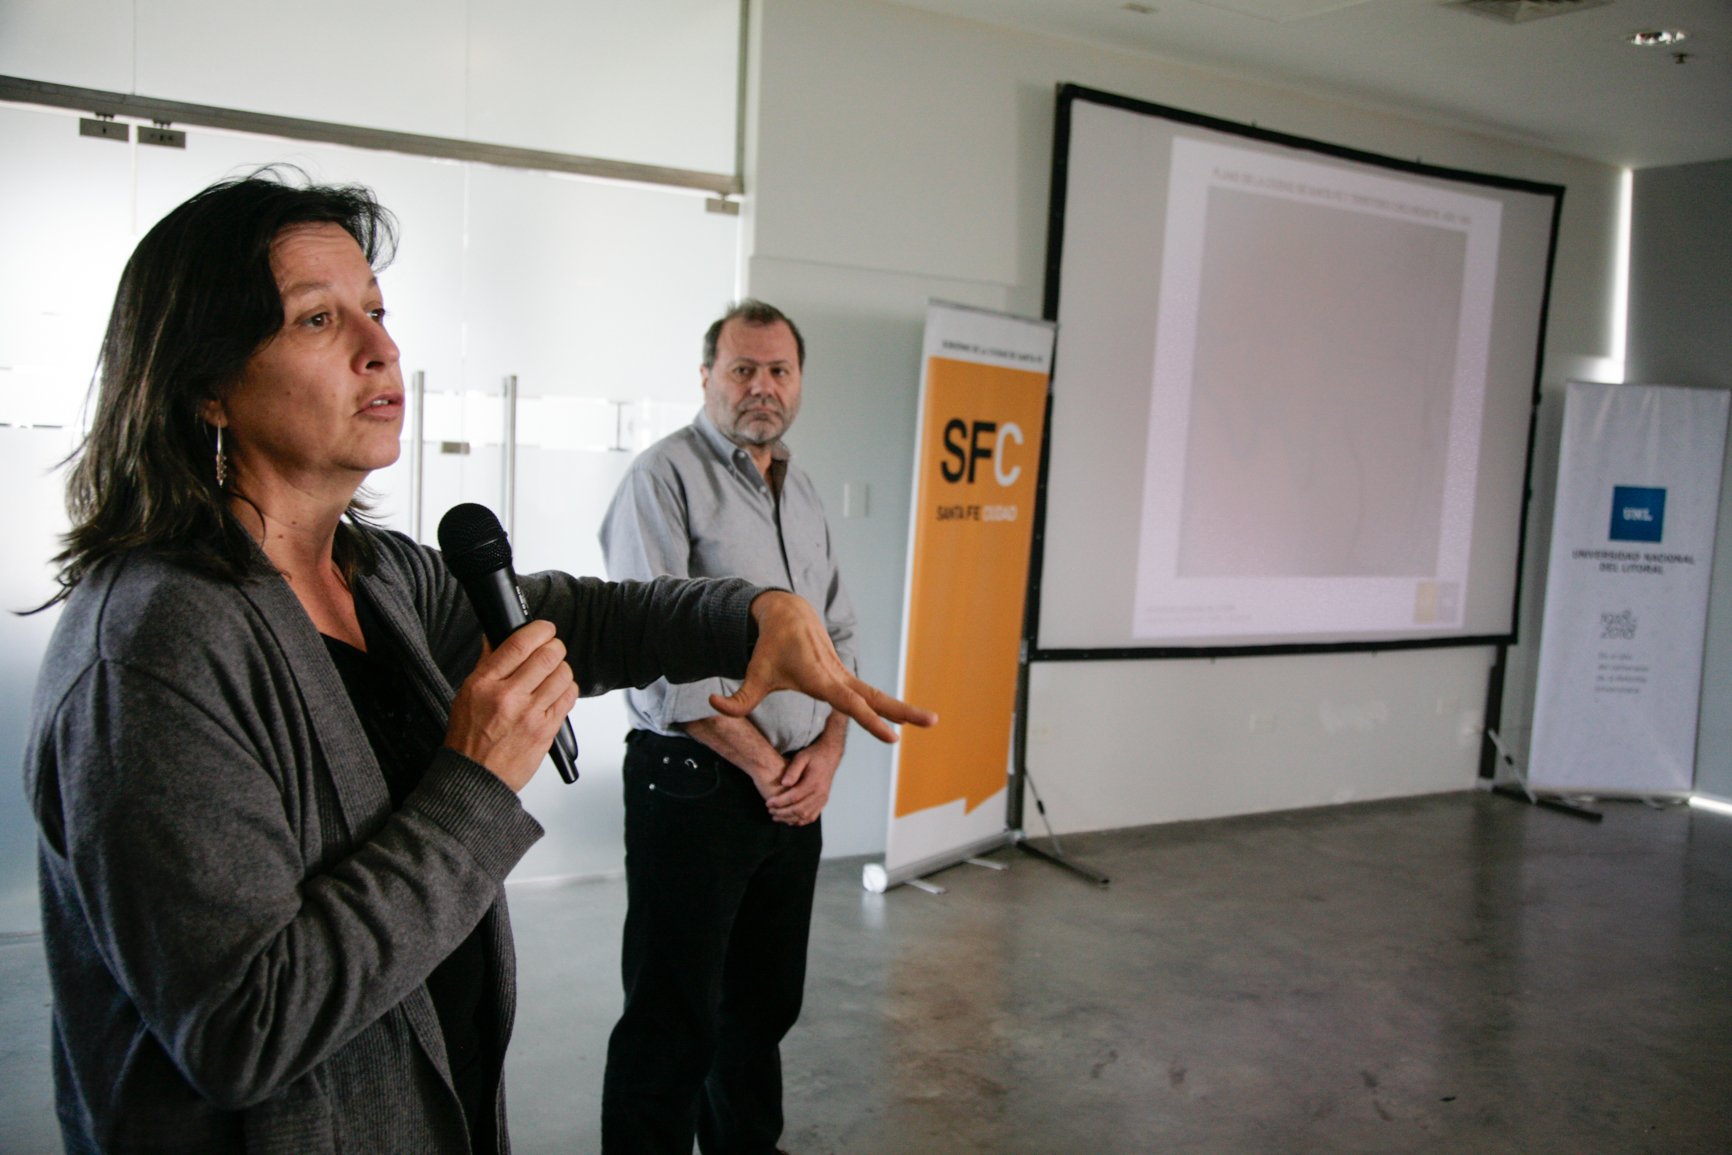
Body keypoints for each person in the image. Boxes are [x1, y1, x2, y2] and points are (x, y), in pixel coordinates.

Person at [23, 174, 930, 1154]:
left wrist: (749, 613)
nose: (382, 349)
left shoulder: (374, 575)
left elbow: (583, 615)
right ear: (206, 382)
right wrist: (476, 783)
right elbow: (245, 1025)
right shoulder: (151, 650)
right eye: (320, 319)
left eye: (376, 310)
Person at [597, 300, 860, 1153]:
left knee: (761, 1009)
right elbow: (658, 658)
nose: (762, 386)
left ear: (799, 380)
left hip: (792, 791)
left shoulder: (802, 489)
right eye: (743, 368)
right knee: (672, 1017)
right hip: (695, 786)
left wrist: (826, 752)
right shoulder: (662, 478)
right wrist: (767, 765)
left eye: (779, 370)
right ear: (707, 376)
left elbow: (836, 636)